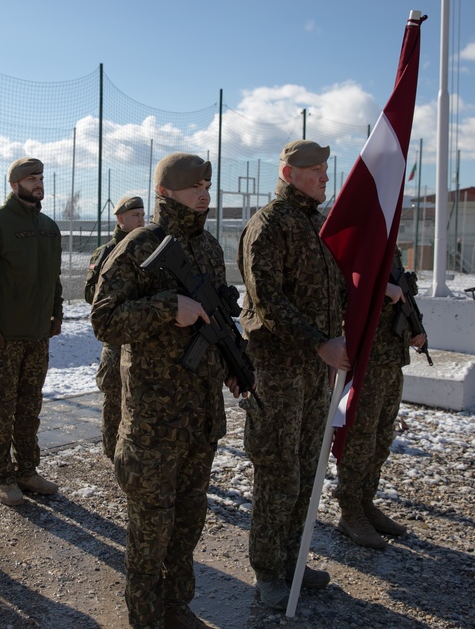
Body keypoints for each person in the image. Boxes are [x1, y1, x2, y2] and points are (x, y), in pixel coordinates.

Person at [91, 152, 238, 629]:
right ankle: (146, 616)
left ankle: (177, 607)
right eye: (194, 186)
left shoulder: (211, 248)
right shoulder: (139, 245)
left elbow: (214, 323)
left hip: (200, 417)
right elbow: (104, 319)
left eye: (207, 186)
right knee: (150, 532)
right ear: (165, 192)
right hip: (154, 423)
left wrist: (233, 366)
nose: (204, 194)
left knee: (188, 524)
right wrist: (166, 306)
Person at [236, 140, 347, 610]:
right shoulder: (270, 224)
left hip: (313, 370)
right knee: (278, 471)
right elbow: (266, 300)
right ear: (288, 173)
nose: (324, 177)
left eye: (325, 168)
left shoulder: (317, 223)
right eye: (315, 170)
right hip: (280, 368)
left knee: (307, 467)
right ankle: (267, 570)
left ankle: (292, 559)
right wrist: (319, 342)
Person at [0, 157, 63, 507]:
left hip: (38, 335)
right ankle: (2, 476)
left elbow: (54, 278)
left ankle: (27, 470)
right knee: (1, 408)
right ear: (14, 184)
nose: (38, 183)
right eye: (31, 178)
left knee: (30, 406)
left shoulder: (49, 227)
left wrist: (57, 313)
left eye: (40, 178)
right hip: (3, 337)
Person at [335, 248, 425, 550]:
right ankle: (350, 511)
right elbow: (342, 290)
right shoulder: (365, 242)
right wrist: (380, 290)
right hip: (368, 361)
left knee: (381, 437)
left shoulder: (392, 250)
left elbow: (404, 298)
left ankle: (366, 502)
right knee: (360, 437)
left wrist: (415, 329)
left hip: (391, 360)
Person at [83, 194, 146, 460]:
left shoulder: (150, 247)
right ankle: (112, 453)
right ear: (121, 219)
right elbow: (89, 294)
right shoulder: (107, 251)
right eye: (136, 216)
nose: (142, 220)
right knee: (113, 394)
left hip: (143, 334)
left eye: (143, 214)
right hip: (116, 337)